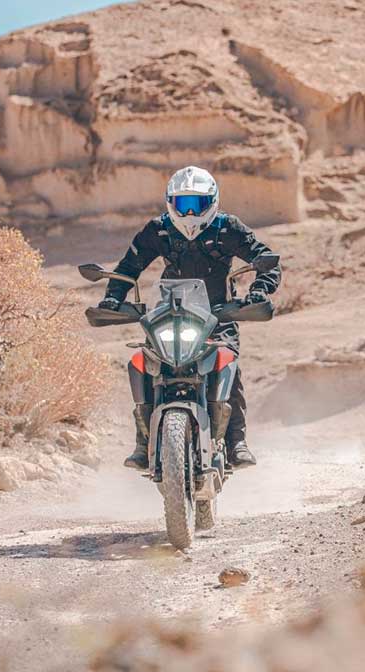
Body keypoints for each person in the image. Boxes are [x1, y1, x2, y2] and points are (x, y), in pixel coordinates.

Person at [95, 166, 281, 471]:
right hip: (170, 312)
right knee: (144, 362)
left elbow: (266, 259)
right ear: (171, 203)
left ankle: (237, 442)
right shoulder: (159, 230)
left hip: (218, 314)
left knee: (227, 362)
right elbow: (129, 266)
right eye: (183, 204)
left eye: (197, 203)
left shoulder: (227, 228)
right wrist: (114, 296)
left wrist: (259, 290)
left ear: (212, 202)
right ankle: (142, 443)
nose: (190, 211)